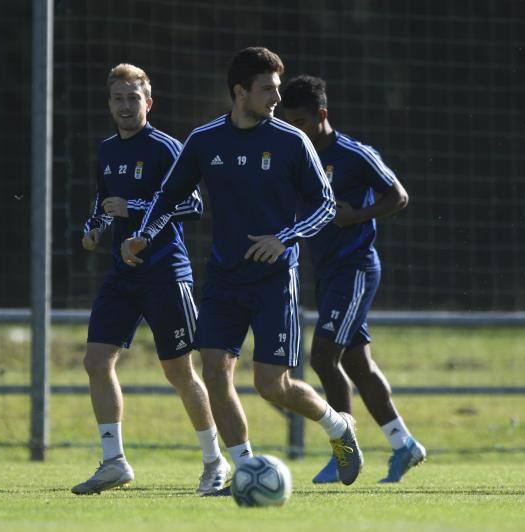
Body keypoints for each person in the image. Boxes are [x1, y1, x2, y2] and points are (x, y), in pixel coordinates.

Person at [121, 47, 363, 485]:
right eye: (267, 89)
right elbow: (168, 195)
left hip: (275, 280)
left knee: (272, 385)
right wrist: (143, 233)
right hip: (223, 280)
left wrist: (283, 238)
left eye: (276, 88)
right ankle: (244, 468)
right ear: (239, 92)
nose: (276, 98)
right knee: (214, 371)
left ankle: (338, 426)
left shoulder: (291, 141)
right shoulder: (204, 140)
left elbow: (325, 204)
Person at [73, 64, 229, 496]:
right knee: (96, 361)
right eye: (118, 98)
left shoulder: (166, 148)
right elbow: (107, 203)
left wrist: (136, 208)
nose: (126, 105)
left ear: (148, 103)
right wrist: (95, 227)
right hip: (122, 274)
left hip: (165, 273)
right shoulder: (106, 150)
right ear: (110, 104)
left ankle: (215, 463)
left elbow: (193, 204)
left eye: (133, 98)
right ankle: (114, 462)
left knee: (178, 372)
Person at [281, 75, 424, 484]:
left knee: (323, 357)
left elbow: (399, 196)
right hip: (327, 273)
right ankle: (403, 444)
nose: (296, 130)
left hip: (356, 268)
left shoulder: (355, 154)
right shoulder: (297, 155)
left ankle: (345, 450)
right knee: (358, 364)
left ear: (322, 115)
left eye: (302, 122)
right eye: (289, 123)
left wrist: (357, 216)